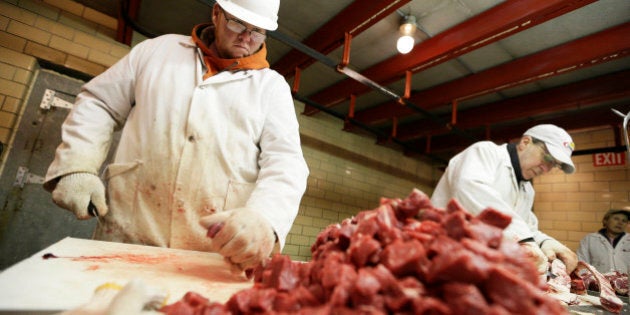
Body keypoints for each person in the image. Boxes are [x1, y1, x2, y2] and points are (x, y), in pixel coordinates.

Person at [44, 0, 309, 274]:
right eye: (238, 23)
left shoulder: (272, 87)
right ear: (216, 13)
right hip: (128, 232)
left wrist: (264, 218)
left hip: (211, 254)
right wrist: (78, 164)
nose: (246, 36)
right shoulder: (158, 50)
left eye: (258, 30)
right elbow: (100, 102)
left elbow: (286, 163)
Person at [429, 124, 578, 275]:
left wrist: (545, 242)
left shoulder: (527, 190)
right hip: (438, 252)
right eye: (547, 158)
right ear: (525, 142)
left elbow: (525, 227)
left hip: (476, 264)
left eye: (553, 165)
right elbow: (471, 190)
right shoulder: (485, 152)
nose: (546, 169)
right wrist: (525, 240)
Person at [577, 208, 630, 274]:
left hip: (626, 283)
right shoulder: (589, 239)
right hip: (598, 283)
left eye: (624, 221)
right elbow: (582, 264)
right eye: (616, 219)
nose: (620, 223)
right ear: (605, 221)